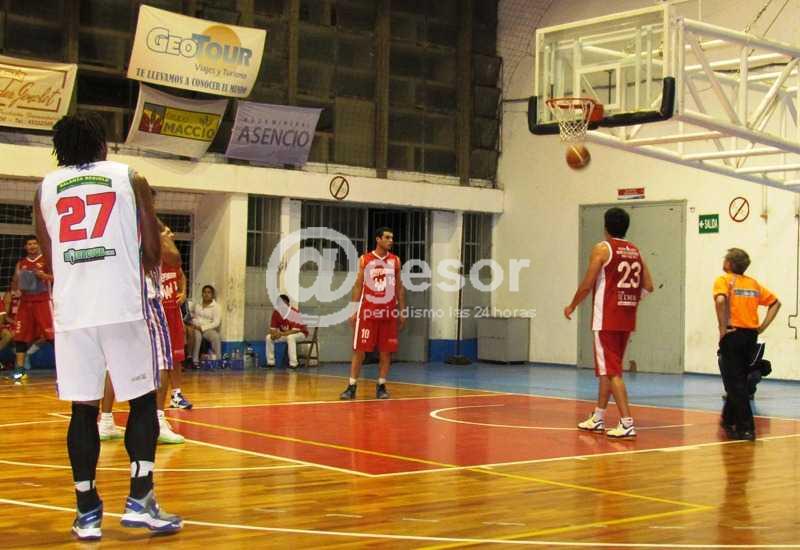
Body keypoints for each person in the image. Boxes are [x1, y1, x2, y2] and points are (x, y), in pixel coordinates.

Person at [35, 113, 181, 540]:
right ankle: (140, 498)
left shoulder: (45, 188)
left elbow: (50, 253)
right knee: (142, 401)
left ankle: (86, 512)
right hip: (122, 304)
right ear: (102, 145)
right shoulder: (128, 176)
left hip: (73, 310)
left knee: (82, 409)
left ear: (60, 150)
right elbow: (153, 247)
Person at [564, 207, 654, 438]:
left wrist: (572, 305)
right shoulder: (636, 251)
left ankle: (627, 422)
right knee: (608, 370)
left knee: (612, 372)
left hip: (606, 319)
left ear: (605, 227)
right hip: (626, 318)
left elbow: (587, 284)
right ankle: (598, 417)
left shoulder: (602, 249)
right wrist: (630, 301)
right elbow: (648, 286)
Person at [98, 222, 188, 445]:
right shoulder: (149, 228)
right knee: (162, 361)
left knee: (114, 362)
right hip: (146, 301)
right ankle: (157, 422)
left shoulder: (115, 227)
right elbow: (175, 258)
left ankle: (105, 421)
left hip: (118, 302)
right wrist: (164, 237)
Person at [713, 248, 780, 441]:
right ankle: (727, 419)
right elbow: (775, 303)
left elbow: (720, 300)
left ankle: (746, 428)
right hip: (751, 336)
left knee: (736, 383)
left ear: (729, 263)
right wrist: (762, 327)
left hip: (733, 334)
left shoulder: (723, 280)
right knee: (740, 379)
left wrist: (722, 327)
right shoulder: (753, 284)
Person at [340, 227, 406, 400]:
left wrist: (402, 311)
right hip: (368, 313)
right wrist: (353, 310)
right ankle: (351, 386)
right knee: (359, 350)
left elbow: (399, 287)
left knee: (386, 351)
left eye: (392, 238)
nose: (391, 241)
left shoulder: (395, 261)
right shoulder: (365, 259)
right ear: (378, 239)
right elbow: (358, 286)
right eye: (387, 237)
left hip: (388, 314)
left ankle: (381, 385)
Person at [9, 236, 54, 381]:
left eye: (35, 243)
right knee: (20, 337)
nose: (32, 246)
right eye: (29, 244)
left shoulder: (47, 260)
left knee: (52, 336)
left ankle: (64, 368)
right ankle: (20, 371)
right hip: (25, 303)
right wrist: (15, 289)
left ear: (39, 245)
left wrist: (44, 276)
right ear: (25, 247)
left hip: (43, 302)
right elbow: (15, 283)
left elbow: (57, 277)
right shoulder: (21, 263)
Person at [266, 294, 308, 368]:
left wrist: (281, 334)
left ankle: (293, 364)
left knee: (290, 337)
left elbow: (295, 331)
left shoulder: (294, 312)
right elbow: (272, 329)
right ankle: (270, 362)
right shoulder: (276, 313)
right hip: (285, 334)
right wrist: (274, 334)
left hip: (300, 333)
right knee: (269, 337)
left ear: (287, 303)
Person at [190, 285, 221, 367]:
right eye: (204, 292)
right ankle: (195, 361)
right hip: (196, 327)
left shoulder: (216, 307)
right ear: (202, 294)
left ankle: (218, 361)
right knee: (197, 337)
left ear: (212, 295)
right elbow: (192, 315)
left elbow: (216, 323)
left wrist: (203, 328)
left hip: (207, 329)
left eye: (209, 292)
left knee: (216, 336)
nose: (206, 294)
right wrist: (194, 323)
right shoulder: (197, 304)